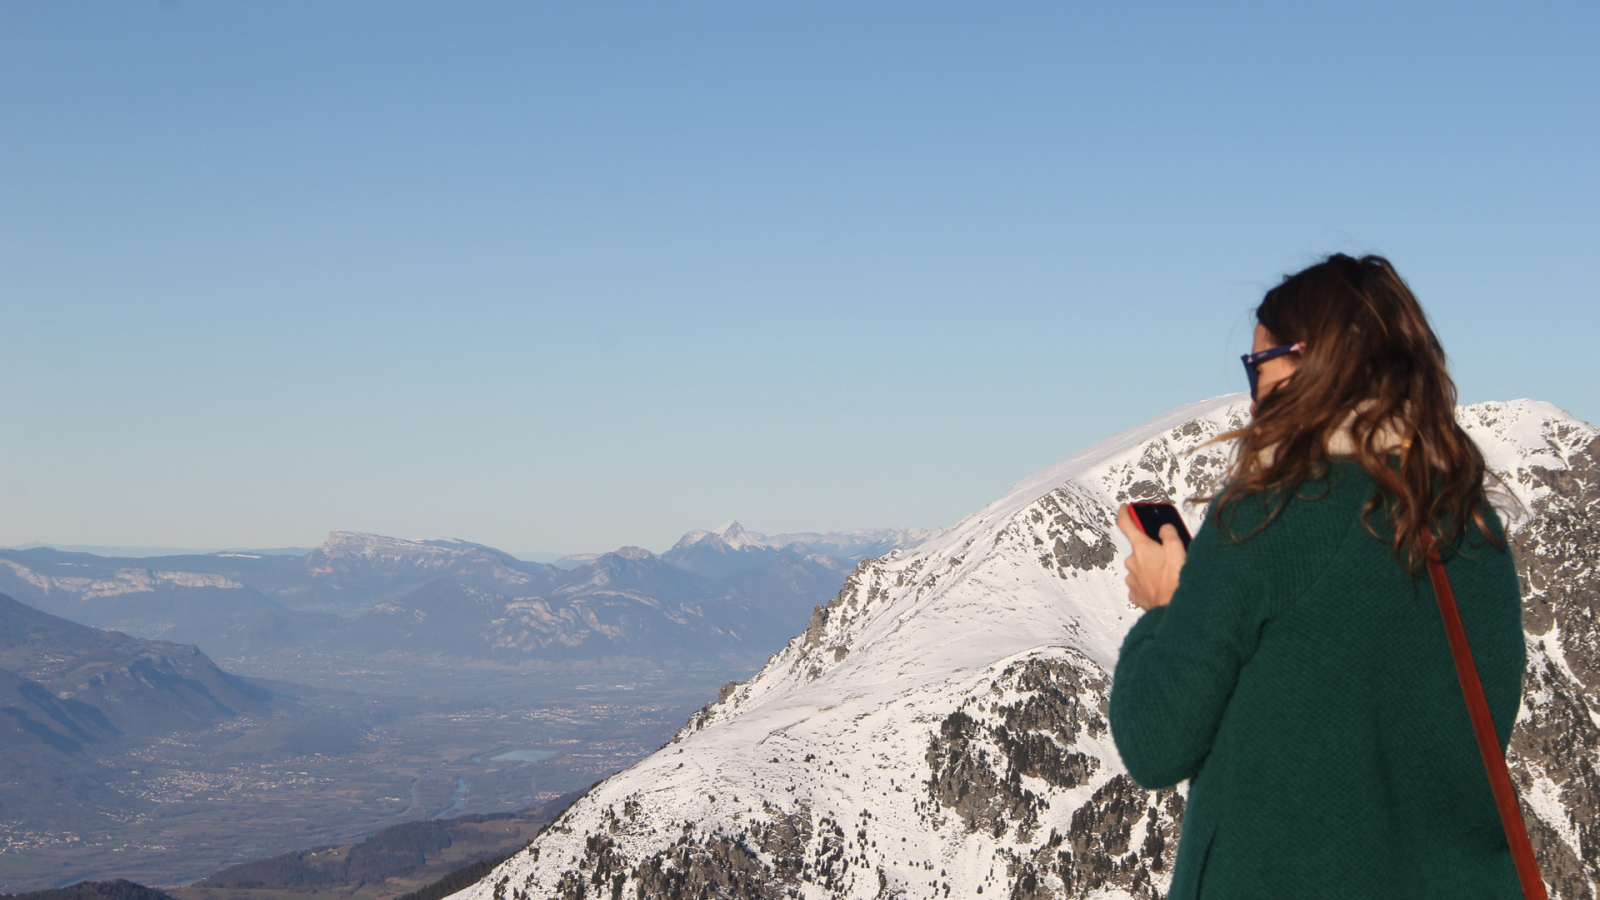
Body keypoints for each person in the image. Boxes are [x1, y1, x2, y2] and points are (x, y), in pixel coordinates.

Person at [1108, 254, 1526, 898]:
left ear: (1310, 363)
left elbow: (1157, 742)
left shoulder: (1266, 516)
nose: (1252, 393)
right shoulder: (1472, 531)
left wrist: (1167, 606)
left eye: (1258, 366)